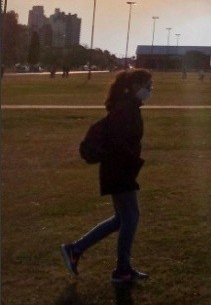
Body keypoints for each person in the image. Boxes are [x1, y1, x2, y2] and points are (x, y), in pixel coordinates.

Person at [60, 69, 153, 284]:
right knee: (131, 217)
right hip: (119, 170)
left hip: (119, 169)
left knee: (122, 219)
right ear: (135, 88)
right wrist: (130, 164)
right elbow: (119, 143)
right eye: (147, 86)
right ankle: (122, 270)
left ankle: (75, 249)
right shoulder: (125, 110)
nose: (150, 91)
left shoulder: (127, 107)